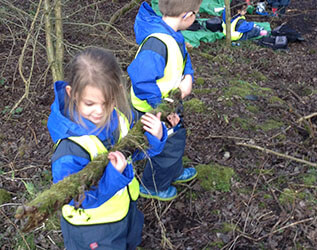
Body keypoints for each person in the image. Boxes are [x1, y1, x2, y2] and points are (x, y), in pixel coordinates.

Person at [47, 47, 168, 249]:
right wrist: (113, 175)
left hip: (124, 211)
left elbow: (133, 152)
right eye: (90, 103)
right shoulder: (70, 148)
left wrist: (155, 138)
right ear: (72, 93)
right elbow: (75, 199)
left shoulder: (117, 119)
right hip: (92, 228)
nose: (99, 111)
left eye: (108, 102)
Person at [127, 0, 202, 201]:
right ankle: (153, 186)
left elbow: (184, 59)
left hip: (169, 104)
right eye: (196, 13)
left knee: (176, 139)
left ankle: (174, 171)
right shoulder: (157, 43)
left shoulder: (173, 34)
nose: (197, 17)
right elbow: (141, 79)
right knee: (165, 149)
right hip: (153, 110)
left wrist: (188, 77)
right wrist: (165, 110)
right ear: (187, 15)